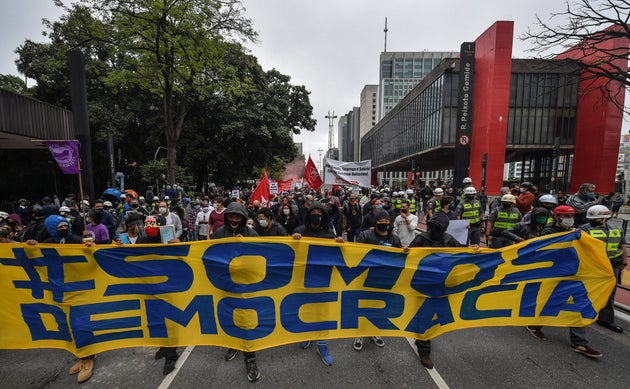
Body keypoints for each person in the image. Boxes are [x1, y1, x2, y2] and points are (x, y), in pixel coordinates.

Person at [526, 205, 603, 358]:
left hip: (573, 274)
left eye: (571, 217)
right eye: (566, 217)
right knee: (551, 302)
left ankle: (579, 342)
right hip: (555, 274)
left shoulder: (573, 231)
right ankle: (535, 324)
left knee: (579, 304)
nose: (570, 220)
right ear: (556, 217)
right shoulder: (549, 232)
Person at [26, 215, 96, 382]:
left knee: (81, 324)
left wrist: (91, 246)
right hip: (59, 292)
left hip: (79, 290)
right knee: (68, 326)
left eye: (66, 226)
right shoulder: (47, 243)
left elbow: (95, 256)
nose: (64, 229)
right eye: (59, 227)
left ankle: (89, 358)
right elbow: (33, 259)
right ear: (51, 230)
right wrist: (31, 247)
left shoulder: (78, 240)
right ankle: (81, 356)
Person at [211, 202, 261, 382]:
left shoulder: (252, 234)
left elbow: (259, 260)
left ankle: (250, 357)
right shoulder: (218, 234)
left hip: (247, 286)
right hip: (226, 285)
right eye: (231, 216)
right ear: (226, 217)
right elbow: (211, 258)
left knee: (247, 320)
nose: (234, 219)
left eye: (237, 216)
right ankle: (233, 344)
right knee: (229, 317)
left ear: (243, 217)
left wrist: (244, 246)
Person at [409, 211, 464, 369]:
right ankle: (424, 351)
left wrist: (473, 250)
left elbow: (462, 254)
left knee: (433, 317)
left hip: (441, 286)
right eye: (432, 226)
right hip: (423, 285)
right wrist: (406, 252)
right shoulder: (421, 239)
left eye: (438, 227)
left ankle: (421, 338)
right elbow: (407, 258)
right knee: (425, 316)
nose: (434, 229)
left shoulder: (449, 241)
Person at [292, 202, 345, 366]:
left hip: (323, 279)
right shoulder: (300, 231)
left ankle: (322, 345)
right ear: (308, 215)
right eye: (313, 212)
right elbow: (289, 252)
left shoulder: (329, 234)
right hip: (304, 279)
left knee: (322, 313)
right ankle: (307, 335)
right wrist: (293, 240)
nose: (316, 215)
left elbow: (337, 257)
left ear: (324, 216)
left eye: (319, 212)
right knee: (306, 310)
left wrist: (340, 245)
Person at [134, 215, 182, 375]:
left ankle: (171, 355)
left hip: (167, 288)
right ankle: (163, 346)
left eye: (153, 223)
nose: (150, 226)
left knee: (169, 322)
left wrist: (179, 246)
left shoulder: (168, 239)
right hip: (149, 287)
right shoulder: (142, 241)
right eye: (147, 223)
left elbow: (181, 260)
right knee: (156, 320)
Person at [352, 209, 402, 351]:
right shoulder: (365, 235)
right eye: (380, 221)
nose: (383, 223)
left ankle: (375, 332)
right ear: (376, 223)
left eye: (386, 221)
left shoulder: (395, 239)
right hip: (365, 279)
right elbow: (355, 253)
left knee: (378, 308)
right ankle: (359, 334)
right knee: (362, 307)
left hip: (384, 281)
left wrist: (404, 253)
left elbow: (399, 260)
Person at [578, 205, 626, 333]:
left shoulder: (616, 229)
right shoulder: (583, 229)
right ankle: (581, 316)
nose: (593, 220)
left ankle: (606, 320)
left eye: (598, 218)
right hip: (593, 266)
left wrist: (624, 262)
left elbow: (622, 245)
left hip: (612, 265)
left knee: (610, 293)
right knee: (587, 291)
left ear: (605, 218)